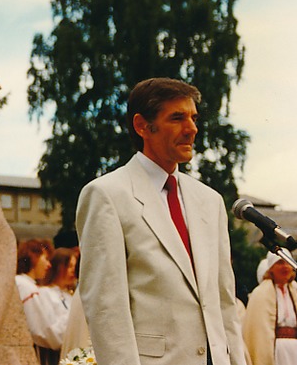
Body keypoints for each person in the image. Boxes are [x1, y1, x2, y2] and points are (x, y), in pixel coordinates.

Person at [76, 77, 245, 365]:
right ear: (142, 126)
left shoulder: (211, 201)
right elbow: (106, 308)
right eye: (177, 118)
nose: (192, 129)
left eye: (193, 117)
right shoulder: (106, 194)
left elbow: (224, 301)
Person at [243, 250, 297, 365]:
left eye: (288, 263)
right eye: (280, 263)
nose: (285, 267)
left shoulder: (295, 290)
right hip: (275, 352)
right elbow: (256, 332)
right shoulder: (260, 294)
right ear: (271, 268)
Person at [15, 239, 59, 362]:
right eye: (45, 259)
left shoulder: (24, 284)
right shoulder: (26, 286)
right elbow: (42, 331)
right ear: (33, 257)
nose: (49, 265)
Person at [34, 248, 78, 365]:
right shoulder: (45, 293)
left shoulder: (70, 295)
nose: (73, 271)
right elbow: (50, 329)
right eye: (69, 266)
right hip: (54, 355)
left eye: (74, 266)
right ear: (58, 267)